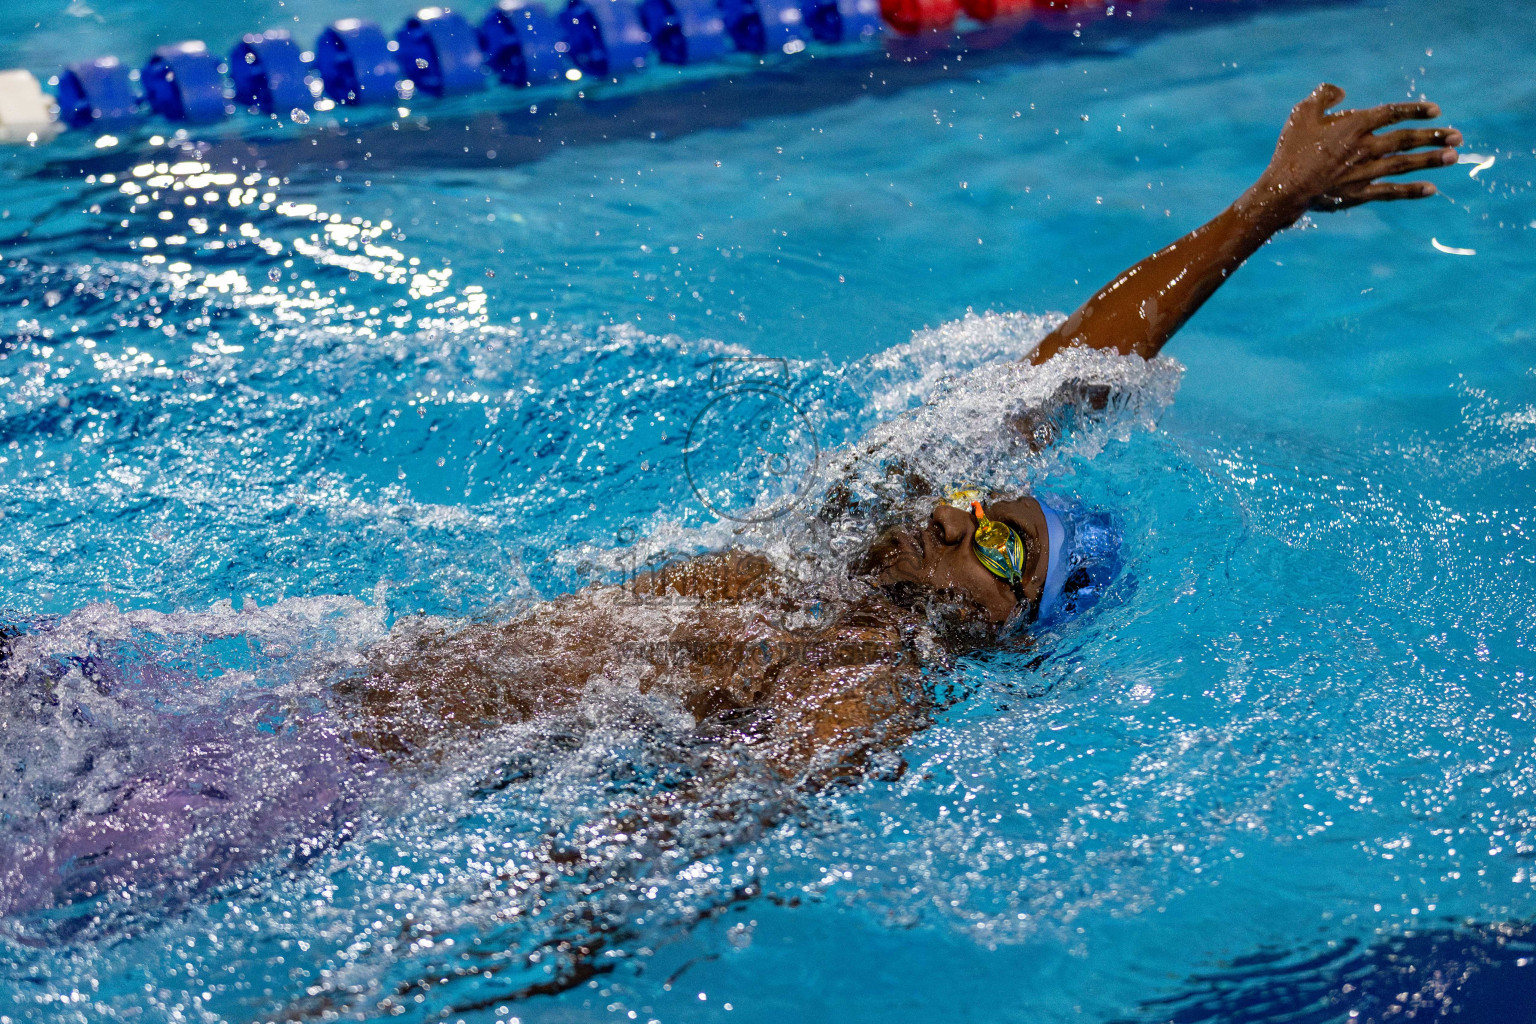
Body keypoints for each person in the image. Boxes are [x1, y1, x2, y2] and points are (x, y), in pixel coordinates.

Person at [340, 84, 1462, 783]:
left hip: (329, 791)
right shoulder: (841, 538)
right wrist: (1266, 203)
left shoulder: (865, 689)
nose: (960, 512)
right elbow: (1078, 367)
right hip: (325, 692)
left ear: (1014, 635)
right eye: (986, 505)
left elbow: (630, 876)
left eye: (1003, 547)